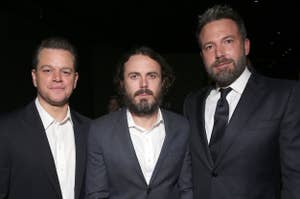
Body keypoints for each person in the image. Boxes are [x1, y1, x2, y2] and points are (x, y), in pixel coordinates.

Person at [183, 4, 300, 199]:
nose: (219, 54)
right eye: (209, 46)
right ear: (202, 55)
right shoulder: (192, 103)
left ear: (246, 46)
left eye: (227, 41)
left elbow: (295, 178)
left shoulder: (285, 95)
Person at [86, 46, 193, 199]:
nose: (144, 84)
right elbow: (97, 194)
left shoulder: (182, 127)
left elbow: (187, 189)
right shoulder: (99, 131)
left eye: (152, 76)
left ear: (163, 82)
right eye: (134, 76)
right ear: (122, 83)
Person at [0, 37, 90, 199]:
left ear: (75, 80)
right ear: (34, 77)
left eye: (65, 72)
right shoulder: (5, 131)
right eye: (48, 70)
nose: (57, 78)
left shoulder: (92, 131)